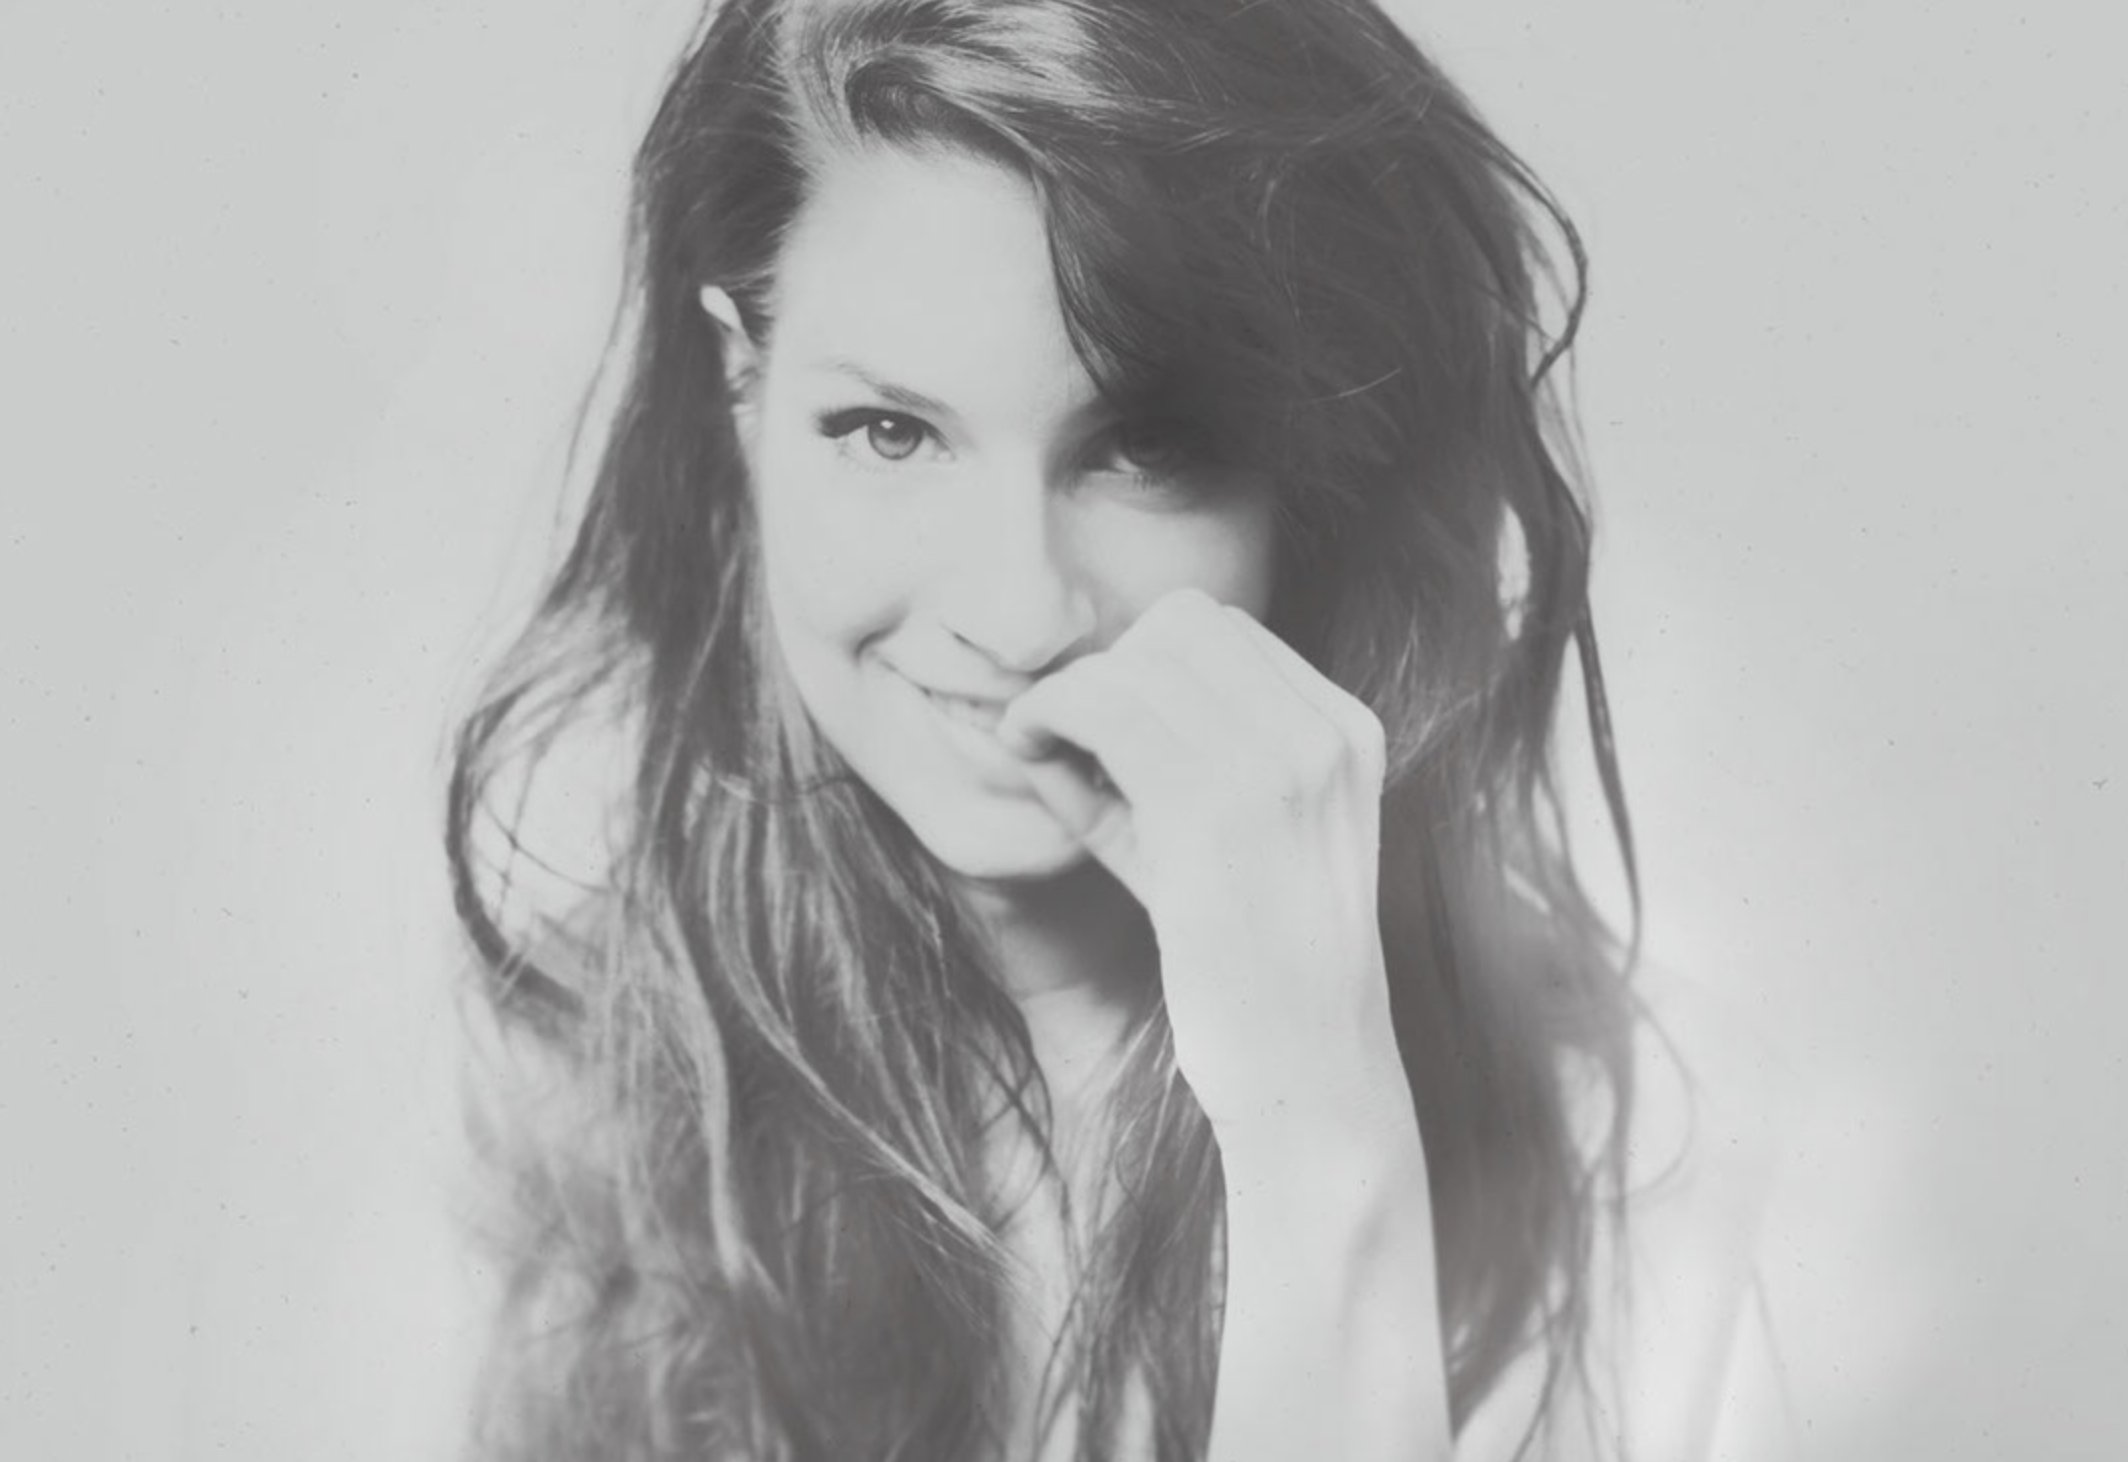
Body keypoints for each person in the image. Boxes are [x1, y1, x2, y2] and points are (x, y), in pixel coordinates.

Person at [444, 1, 1774, 1458]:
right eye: (890, 432)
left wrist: (1320, 1119)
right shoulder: (595, 1095)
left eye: (1144, 447)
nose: (1019, 613)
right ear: (740, 389)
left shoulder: (1640, 1157)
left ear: (1313, 478)